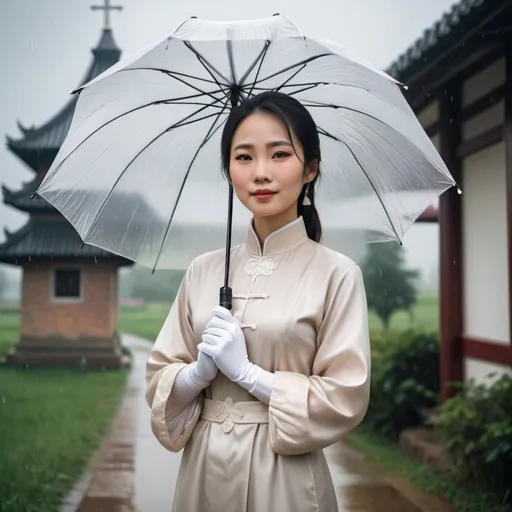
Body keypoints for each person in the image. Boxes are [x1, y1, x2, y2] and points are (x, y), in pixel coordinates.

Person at [145, 91, 371, 512]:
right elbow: (158, 373)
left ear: (311, 169)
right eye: (244, 157)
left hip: (285, 478)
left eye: (280, 154)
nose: (260, 173)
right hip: (203, 474)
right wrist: (195, 376)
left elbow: (346, 394)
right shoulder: (202, 270)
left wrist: (251, 375)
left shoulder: (336, 274)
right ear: (229, 169)